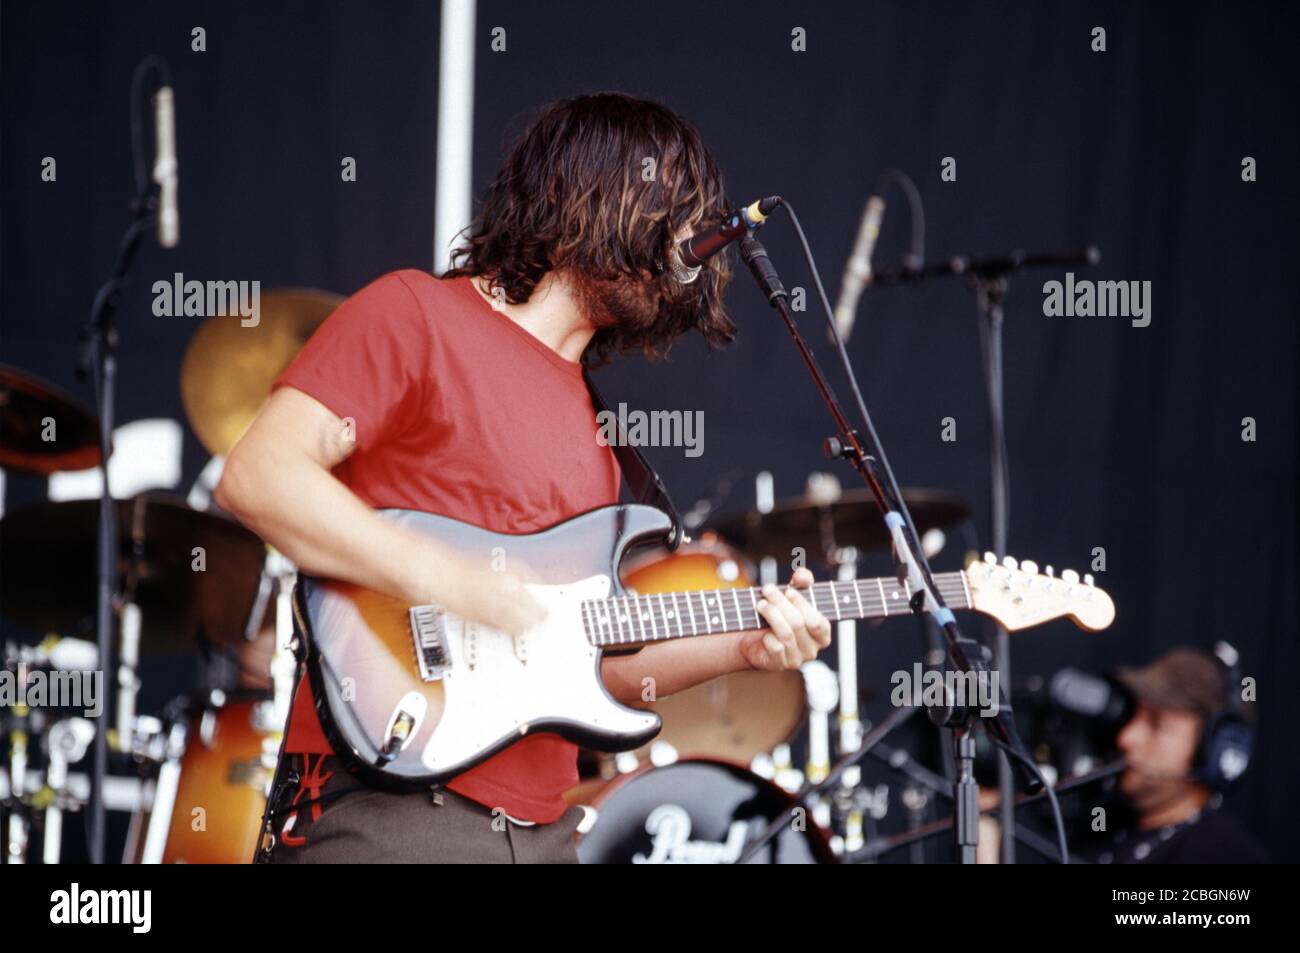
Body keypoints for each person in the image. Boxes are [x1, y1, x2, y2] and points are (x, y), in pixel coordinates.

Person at [215, 92, 834, 863]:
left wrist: (745, 646)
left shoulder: (601, 439)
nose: (686, 235)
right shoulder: (414, 315)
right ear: (574, 187)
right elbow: (259, 475)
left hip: (540, 831)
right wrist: (447, 576)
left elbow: (599, 657)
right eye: (667, 201)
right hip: (390, 806)